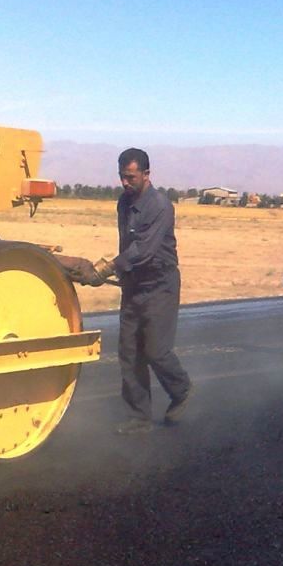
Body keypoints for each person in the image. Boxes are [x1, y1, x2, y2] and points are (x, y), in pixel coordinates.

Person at [99, 148, 192, 433]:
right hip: (134, 284)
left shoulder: (160, 205)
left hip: (159, 285)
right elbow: (126, 245)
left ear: (146, 174)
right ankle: (139, 417)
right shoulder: (123, 203)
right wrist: (121, 271)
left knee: (156, 350)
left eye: (130, 177)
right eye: (121, 177)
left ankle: (182, 389)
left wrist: (108, 267)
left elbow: (145, 250)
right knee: (129, 352)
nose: (125, 183)